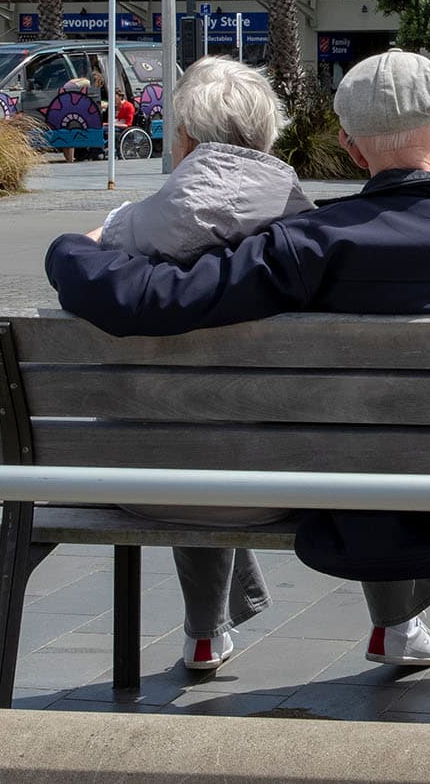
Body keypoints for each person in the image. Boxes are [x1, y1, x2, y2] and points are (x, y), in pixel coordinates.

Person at [46, 49, 430, 690]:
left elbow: (151, 299)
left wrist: (75, 249)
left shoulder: (307, 243)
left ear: (349, 146)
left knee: (395, 431)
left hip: (379, 501)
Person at [94, 55, 315, 673]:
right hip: (300, 481)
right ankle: (398, 623)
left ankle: (203, 632)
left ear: (184, 141)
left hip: (145, 481)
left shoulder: (122, 235)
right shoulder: (314, 235)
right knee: (246, 431)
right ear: (268, 138)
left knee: (188, 426)